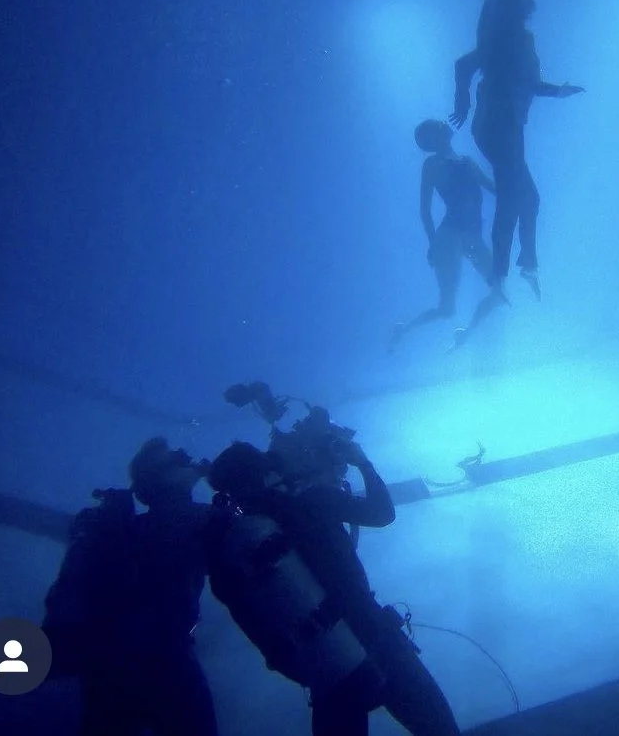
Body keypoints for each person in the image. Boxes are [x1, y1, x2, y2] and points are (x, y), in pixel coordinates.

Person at [205, 419, 461, 736]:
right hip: (377, 637)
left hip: (329, 658)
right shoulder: (316, 501)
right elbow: (382, 512)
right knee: (439, 729)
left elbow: (237, 604)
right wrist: (363, 463)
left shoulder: (243, 543)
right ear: (267, 469)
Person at [42, 438, 217, 736]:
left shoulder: (138, 528)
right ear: (161, 478)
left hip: (107, 666)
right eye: (176, 458)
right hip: (167, 662)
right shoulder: (187, 520)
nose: (185, 456)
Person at [451, 0, 584, 307]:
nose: (531, 4)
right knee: (513, 197)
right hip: (499, 125)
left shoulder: (507, 37)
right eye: (525, 0)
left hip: (502, 125)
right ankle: (503, 275)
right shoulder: (508, 37)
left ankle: (524, 265)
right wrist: (462, 102)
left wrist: (557, 91)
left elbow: (518, 81)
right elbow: (470, 68)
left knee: (527, 197)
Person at [390, 119, 501, 351]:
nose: (443, 125)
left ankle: (465, 334)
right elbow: (424, 210)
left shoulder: (467, 162)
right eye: (437, 127)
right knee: (447, 308)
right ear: (433, 139)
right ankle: (404, 329)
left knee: (498, 291)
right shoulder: (432, 164)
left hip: (470, 237)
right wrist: (433, 244)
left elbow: (493, 188)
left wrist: (514, 188)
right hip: (450, 237)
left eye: (439, 125)